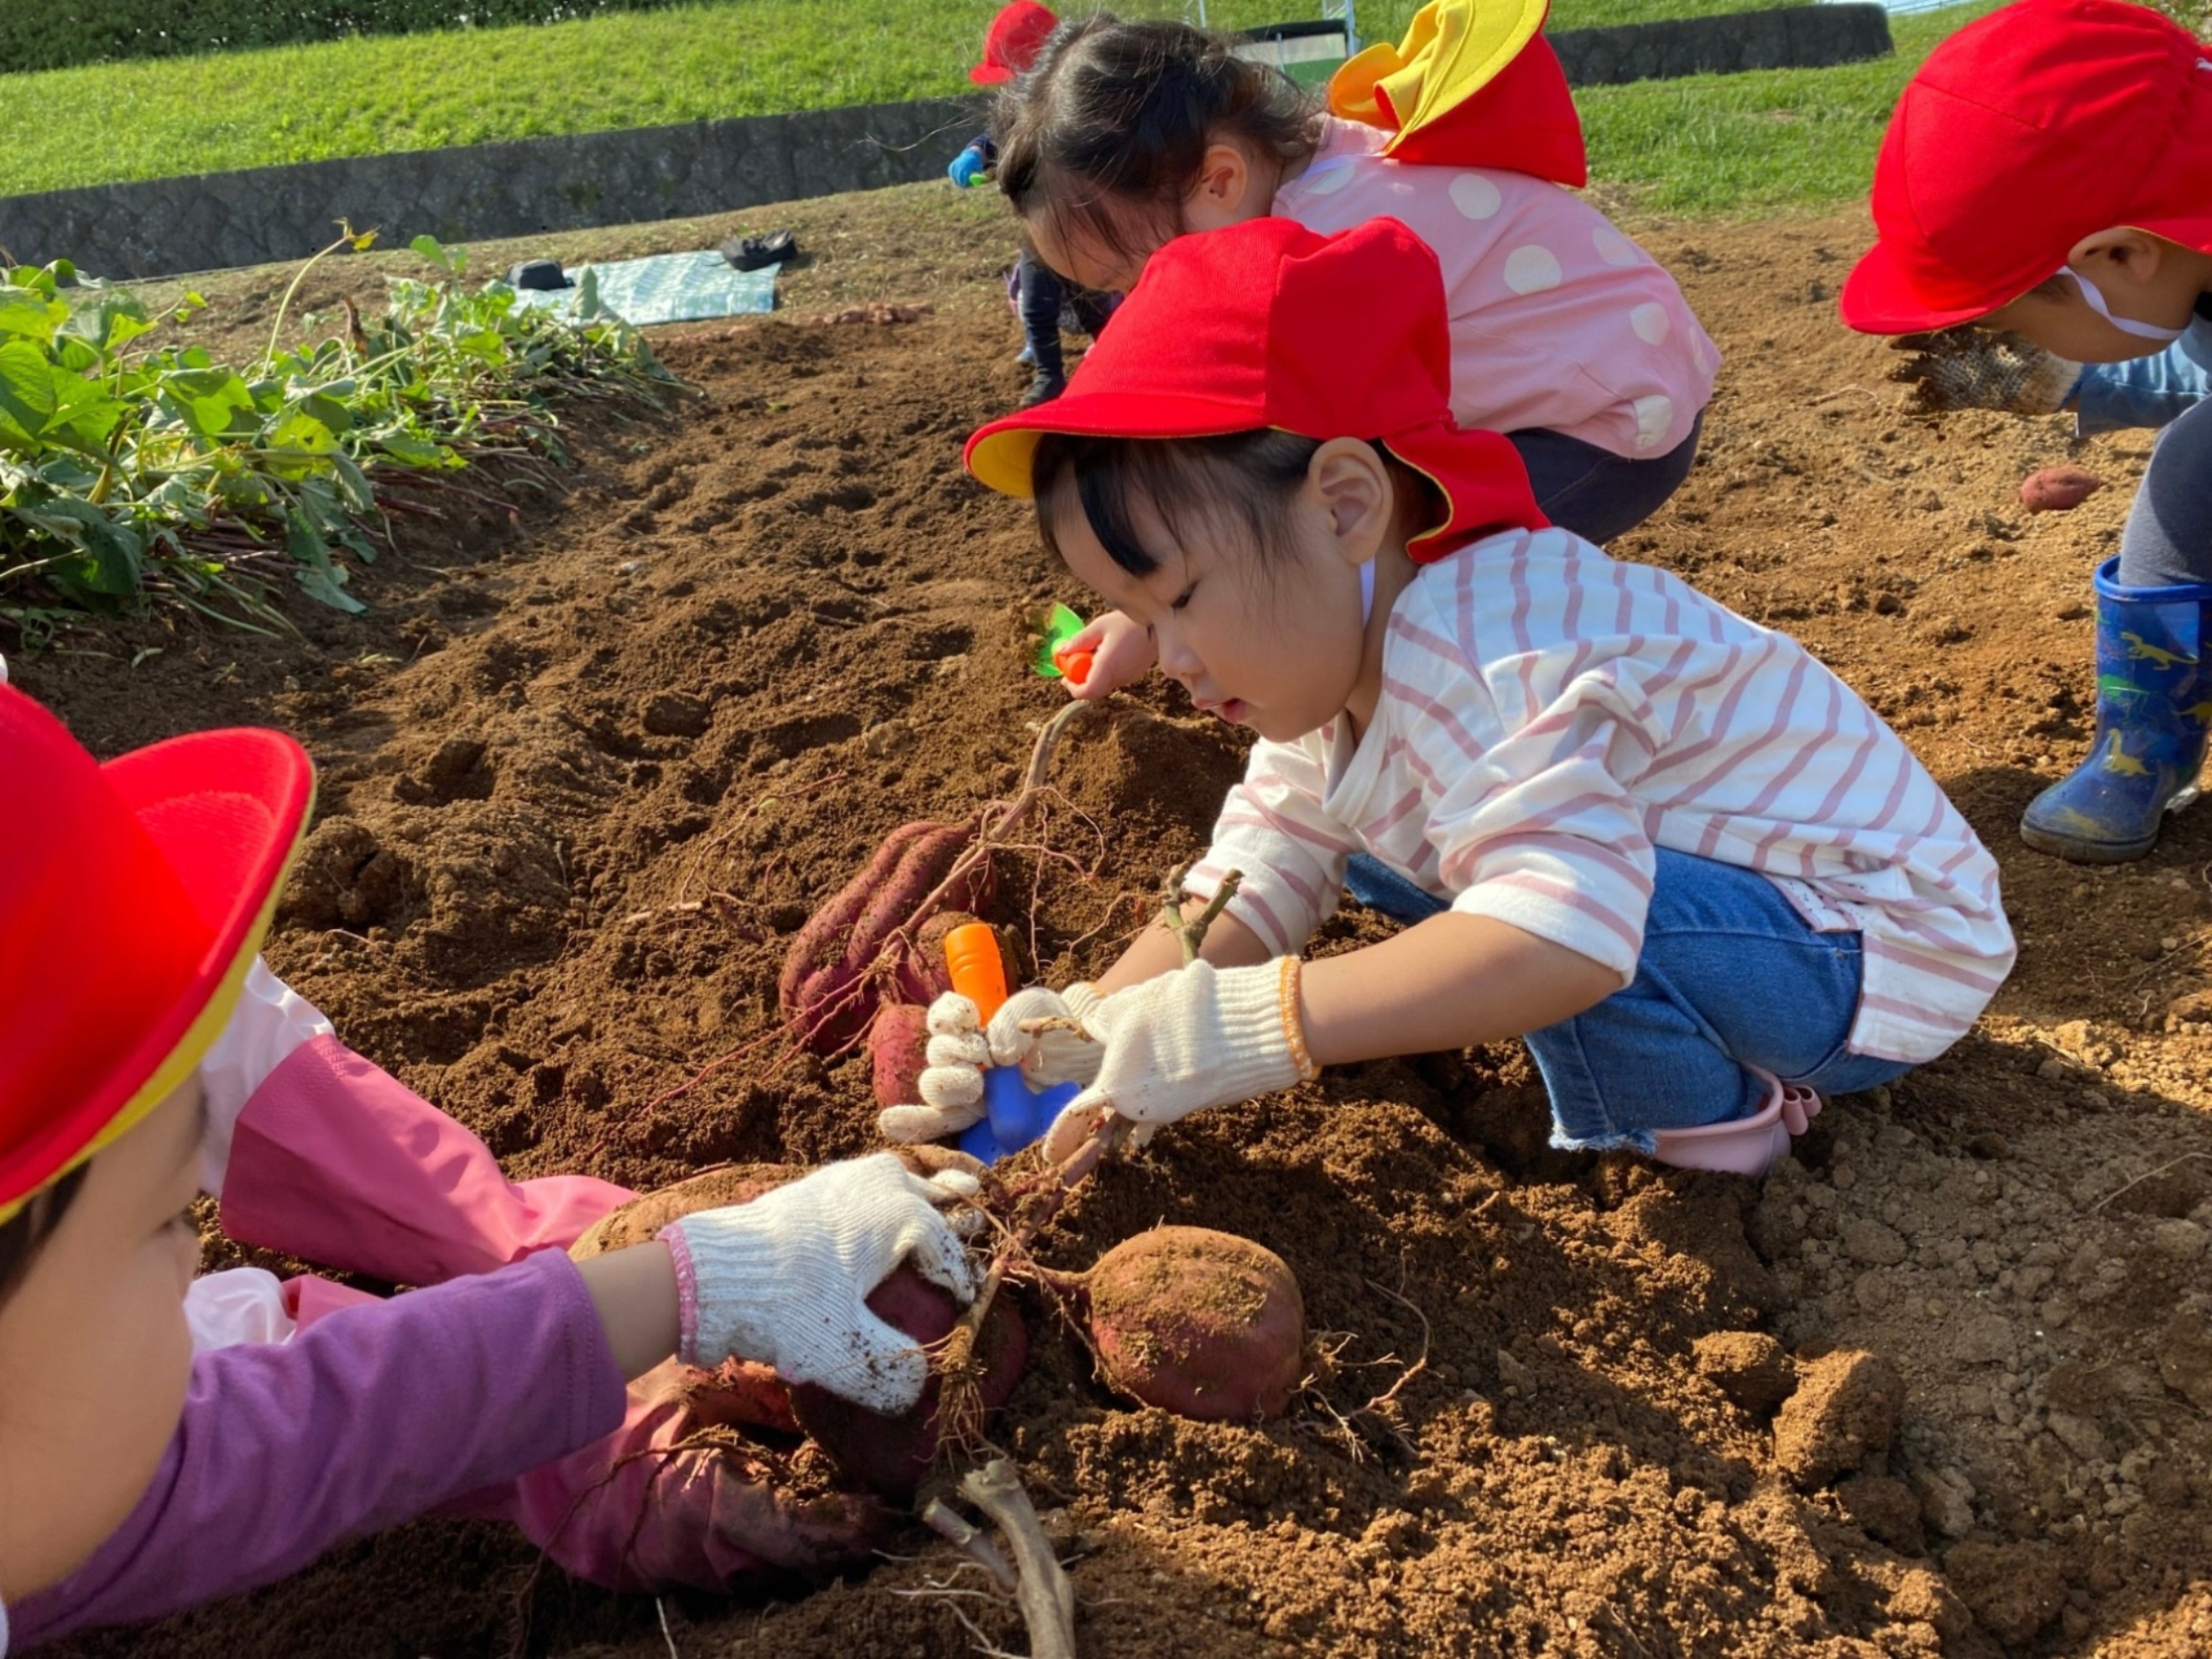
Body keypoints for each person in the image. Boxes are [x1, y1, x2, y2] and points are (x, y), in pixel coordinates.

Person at [890, 217, 2015, 1177]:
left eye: (1179, 598)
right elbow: (1252, 874)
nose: (1169, 656)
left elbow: (1562, 933)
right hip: (1753, 921)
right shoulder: (1343, 655)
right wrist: (1080, 1034)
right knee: (1384, 847)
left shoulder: (1488, 646)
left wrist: (1260, 1024)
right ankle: (1691, 1060)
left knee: (1528, 910)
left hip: (1874, 949)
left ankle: (1710, 1134)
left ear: (1340, 506)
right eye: (1137, 615)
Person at [0, 683, 981, 1650]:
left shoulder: (38, 1455)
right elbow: (248, 1445)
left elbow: (161, 1020)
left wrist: (637, 1270)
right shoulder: (69, 1469)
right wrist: (581, 1447)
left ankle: (521, 1249)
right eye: (170, 1222)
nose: (190, 1263)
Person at [988, 0, 1720, 698]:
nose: (1136, 305)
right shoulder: (1313, 166)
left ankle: (1521, 720)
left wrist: (1156, 618)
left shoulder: (1320, 247)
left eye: (1137, 275)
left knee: (1381, 573)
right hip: (1617, 377)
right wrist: (1149, 613)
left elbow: (1262, 489)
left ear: (1219, 179)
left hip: (1606, 428)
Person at [1838, 0, 2212, 864]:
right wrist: (2078, 380)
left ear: (2118, 257)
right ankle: (2145, 742)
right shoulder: (2185, 255)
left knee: (2197, 456)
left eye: (2021, 328)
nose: (2014, 345)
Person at [946, 1, 1115, 406]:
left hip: (1079, 221)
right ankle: (1049, 377)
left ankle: (1117, 364)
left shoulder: (1078, 102)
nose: (1012, 87)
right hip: (1040, 225)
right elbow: (997, 135)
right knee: (1036, 306)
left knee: (1094, 304)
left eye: (1017, 76)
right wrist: (977, 152)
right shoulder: (1021, 106)